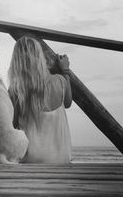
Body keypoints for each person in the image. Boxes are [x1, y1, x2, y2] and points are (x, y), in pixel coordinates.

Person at [8, 36, 72, 164]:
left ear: (17, 61)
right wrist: (65, 71)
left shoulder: (16, 89)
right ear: (40, 56)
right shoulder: (60, 81)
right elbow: (68, 103)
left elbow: (12, 126)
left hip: (31, 162)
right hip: (62, 159)